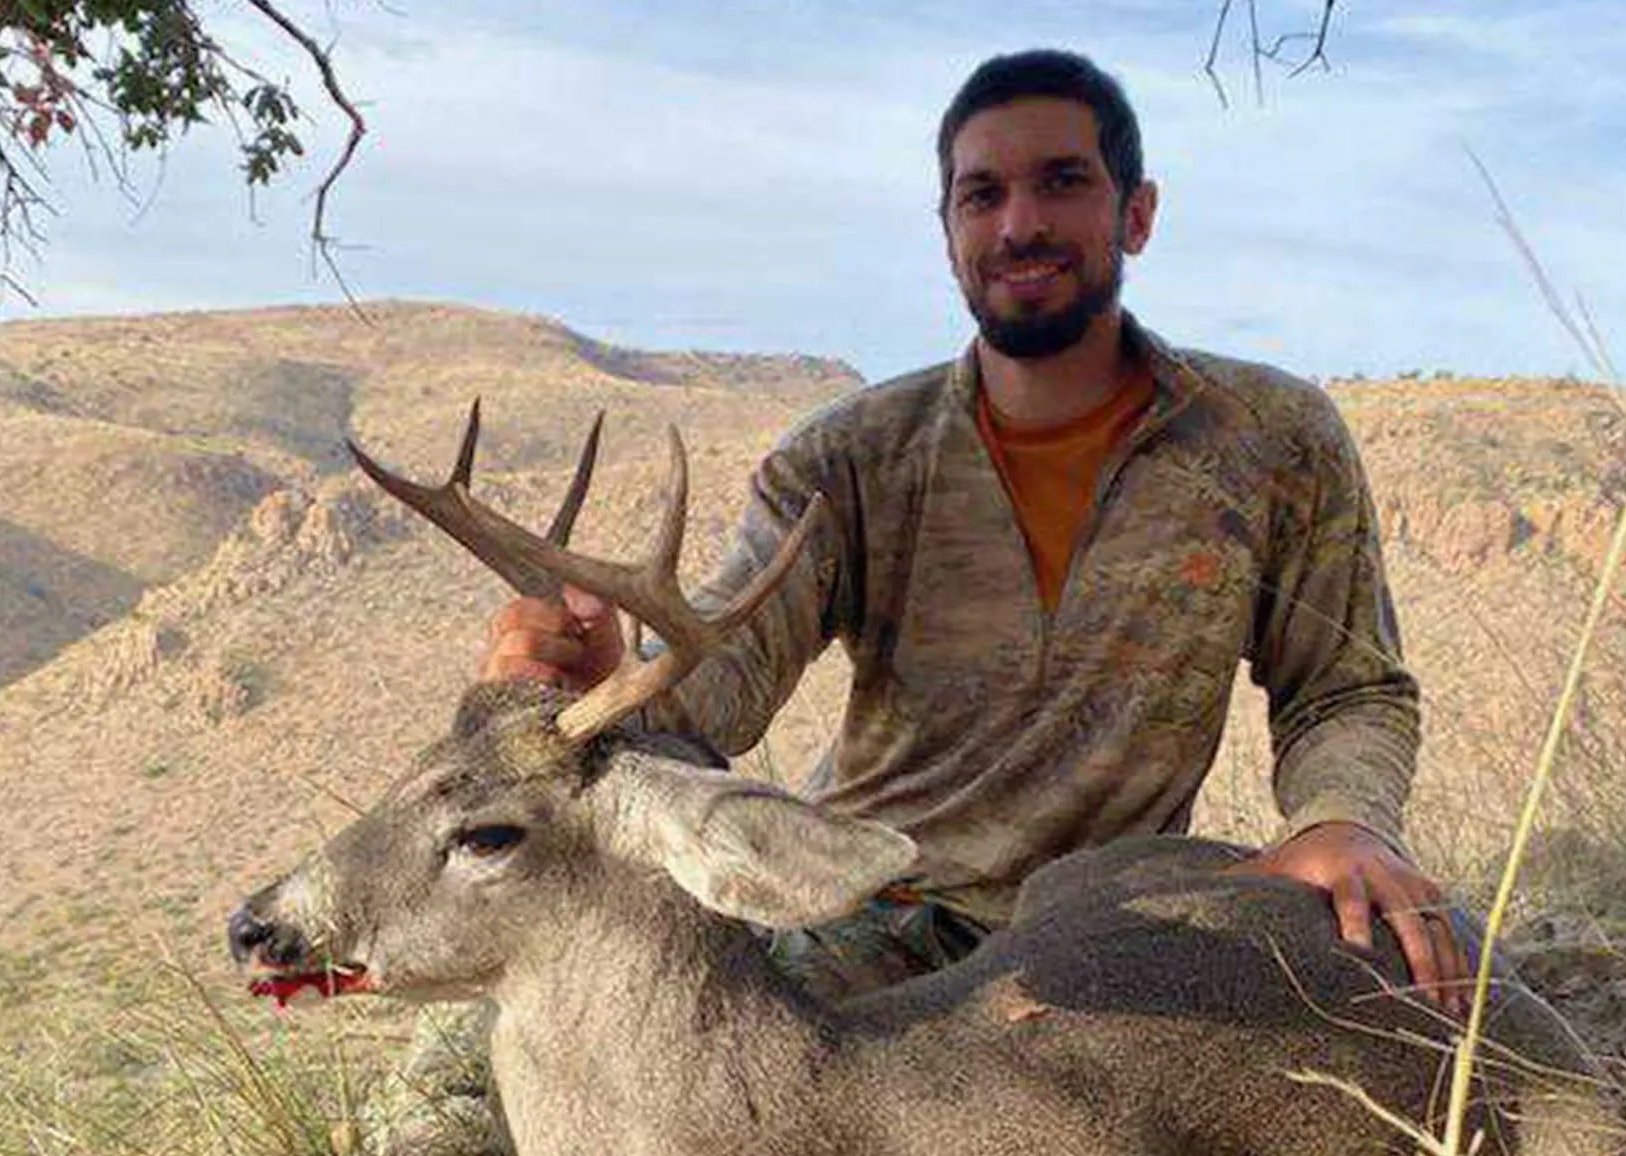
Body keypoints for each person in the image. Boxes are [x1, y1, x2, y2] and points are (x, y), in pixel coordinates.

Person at [479, 49, 1470, 1013]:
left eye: (1062, 182)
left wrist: (1343, 819)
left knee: (1405, 988)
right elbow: (720, 692)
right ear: (949, 231)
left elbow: (1347, 688)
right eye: (981, 195)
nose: (1020, 224)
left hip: (1119, 919)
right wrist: (606, 683)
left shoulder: (1271, 438)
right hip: (874, 918)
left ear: (1138, 213)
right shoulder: (847, 459)